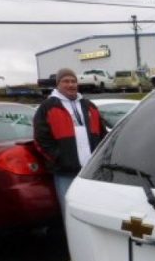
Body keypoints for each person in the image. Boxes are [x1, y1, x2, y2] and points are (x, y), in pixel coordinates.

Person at [33, 68, 107, 217]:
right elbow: (41, 139)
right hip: (65, 172)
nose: (71, 84)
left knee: (93, 209)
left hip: (90, 171)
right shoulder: (48, 107)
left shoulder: (89, 106)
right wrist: (59, 157)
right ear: (58, 84)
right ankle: (72, 240)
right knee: (70, 212)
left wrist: (100, 159)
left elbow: (102, 134)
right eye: (66, 81)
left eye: (73, 81)